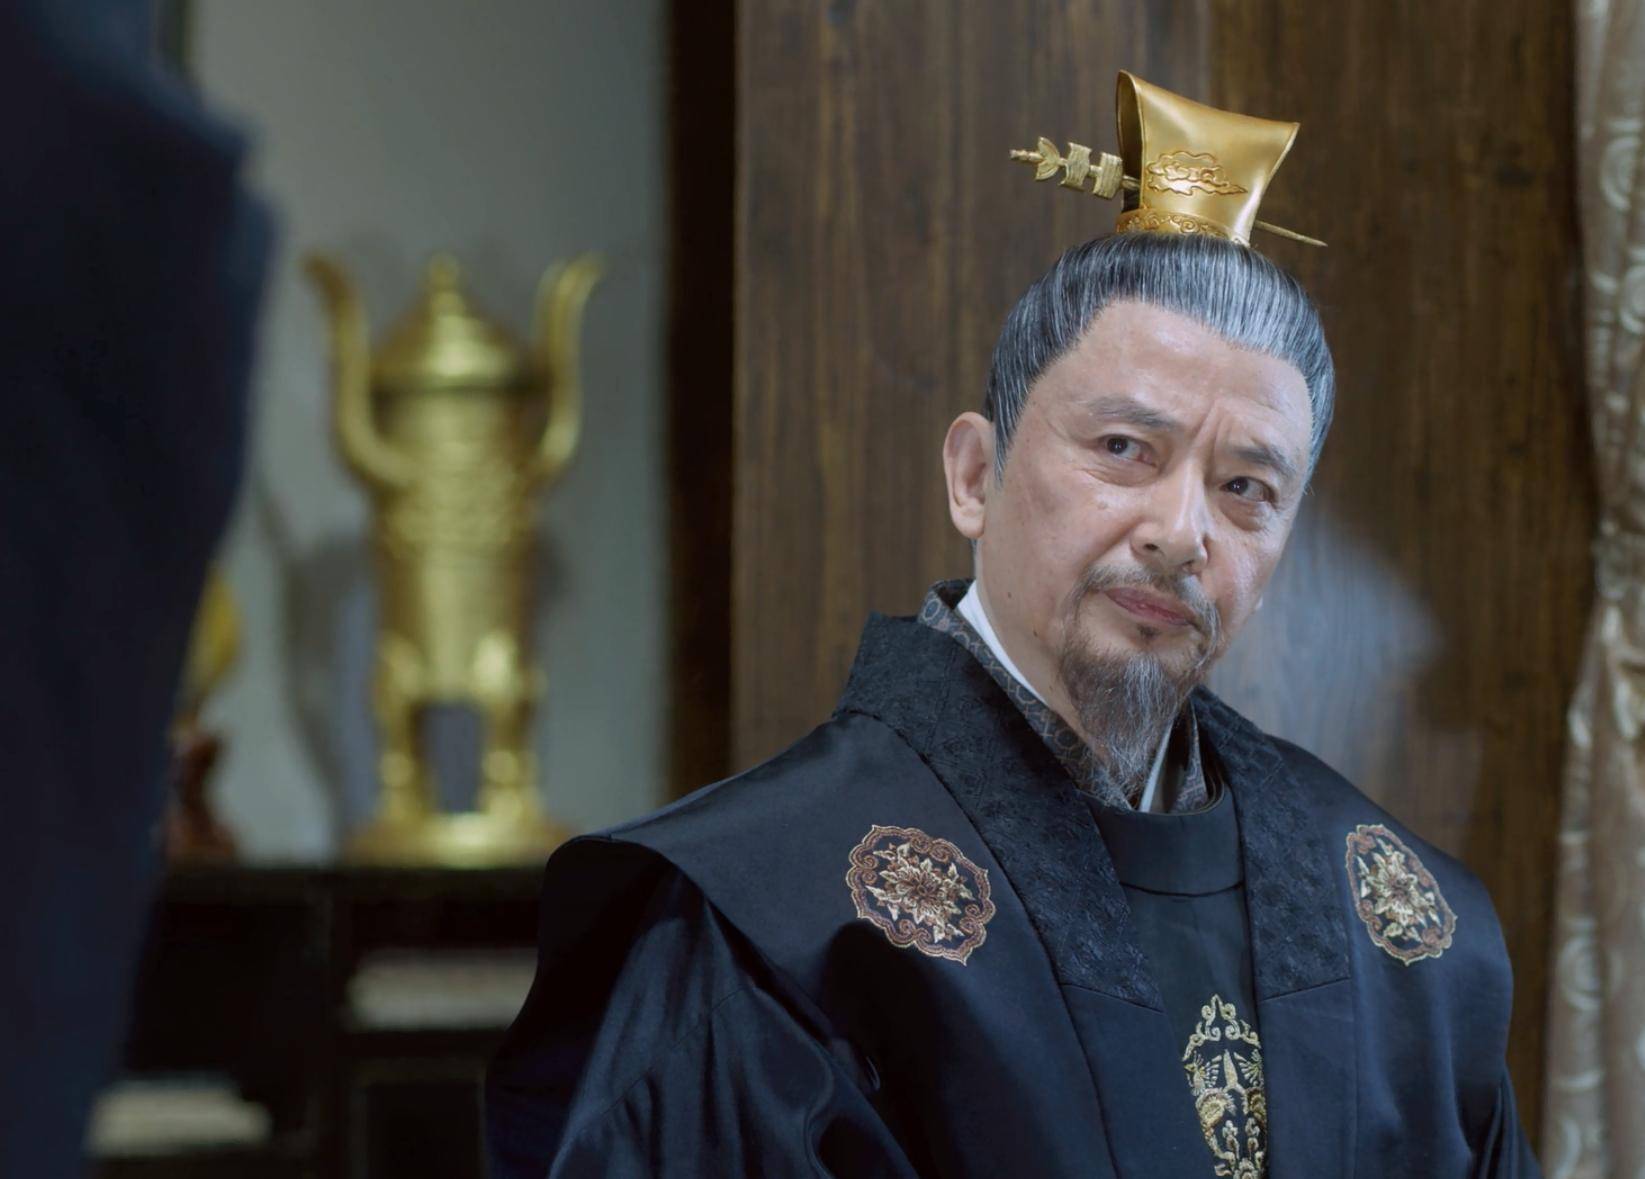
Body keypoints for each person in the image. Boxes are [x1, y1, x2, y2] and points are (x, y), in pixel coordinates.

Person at [486, 73, 1539, 1178]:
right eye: (1124, 450)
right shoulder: (773, 917)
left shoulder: (1405, 934)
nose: (1180, 533)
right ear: (974, 475)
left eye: (1245, 489)